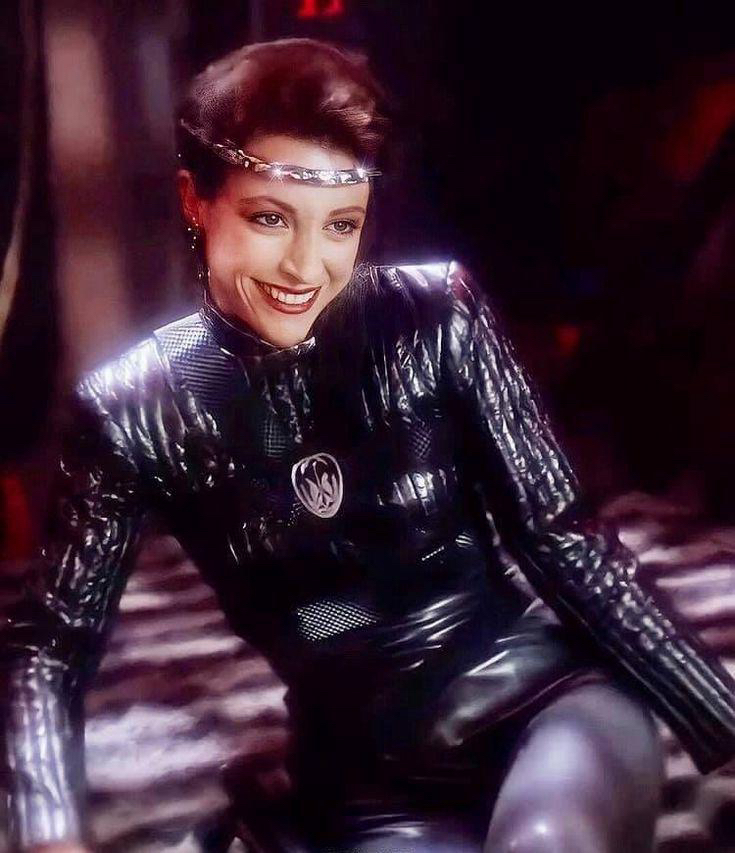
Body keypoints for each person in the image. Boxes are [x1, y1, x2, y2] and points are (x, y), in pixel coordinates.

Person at [2, 37, 735, 853]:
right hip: (367, 791)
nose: (305, 266)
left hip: (546, 715)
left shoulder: (436, 314)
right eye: (269, 217)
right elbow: (51, 646)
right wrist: (48, 834)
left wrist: (723, 720)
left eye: (339, 225)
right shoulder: (130, 409)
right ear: (194, 201)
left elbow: (562, 539)